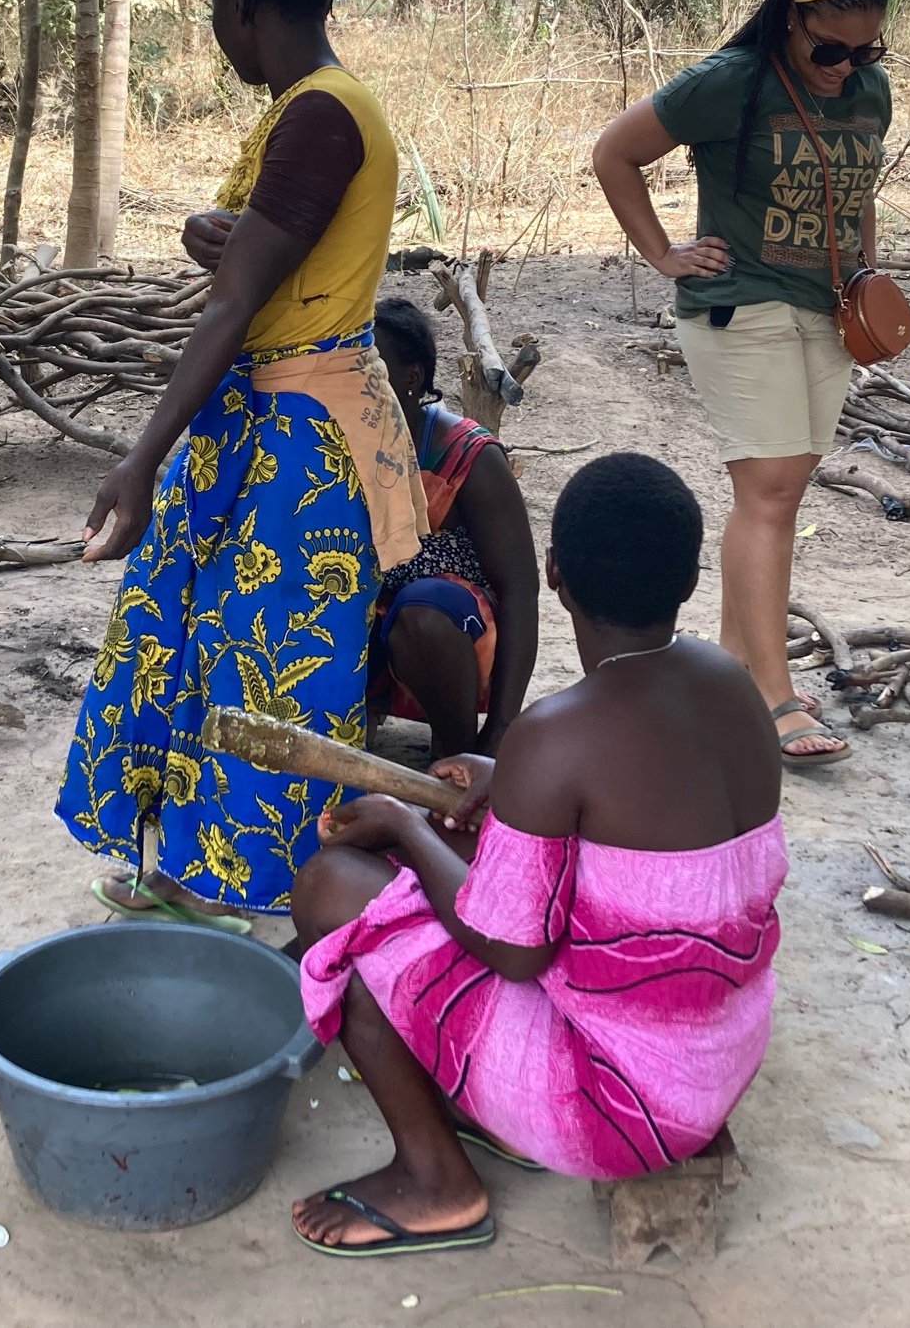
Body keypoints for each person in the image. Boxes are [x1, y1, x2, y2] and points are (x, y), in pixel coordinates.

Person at [288, 452, 785, 1257]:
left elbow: (515, 949)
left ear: (553, 574)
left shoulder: (558, 733)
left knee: (332, 889)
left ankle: (435, 1181)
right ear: (690, 581)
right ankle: (487, 1111)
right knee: (451, 864)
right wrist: (507, 785)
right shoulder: (731, 685)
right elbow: (653, 849)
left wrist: (404, 826)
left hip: (616, 1107)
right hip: (715, 1063)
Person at [57, 0, 423, 931]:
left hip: (297, 437)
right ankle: (193, 870)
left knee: (268, 663)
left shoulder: (320, 115)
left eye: (214, 14)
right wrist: (207, 232)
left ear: (240, 3)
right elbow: (256, 255)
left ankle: (264, 892)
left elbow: (235, 302)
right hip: (266, 422)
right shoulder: (306, 111)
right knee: (202, 635)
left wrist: (139, 458)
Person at [588, 0, 895, 769]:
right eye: (829, 48)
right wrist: (663, 254)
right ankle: (770, 694)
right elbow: (615, 152)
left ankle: (733, 662)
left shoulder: (870, 90)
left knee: (782, 495)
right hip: (740, 304)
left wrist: (866, 271)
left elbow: (860, 189)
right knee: (766, 491)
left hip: (826, 311)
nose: (846, 66)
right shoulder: (730, 80)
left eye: (865, 50)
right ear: (791, 22)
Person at [365, 297, 539, 761]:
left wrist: (502, 727)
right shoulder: (336, 444)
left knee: (424, 610)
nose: (354, 381)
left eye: (369, 366)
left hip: (451, 634)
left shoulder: (469, 456)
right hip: (372, 620)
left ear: (412, 378)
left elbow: (520, 589)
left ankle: (455, 750)